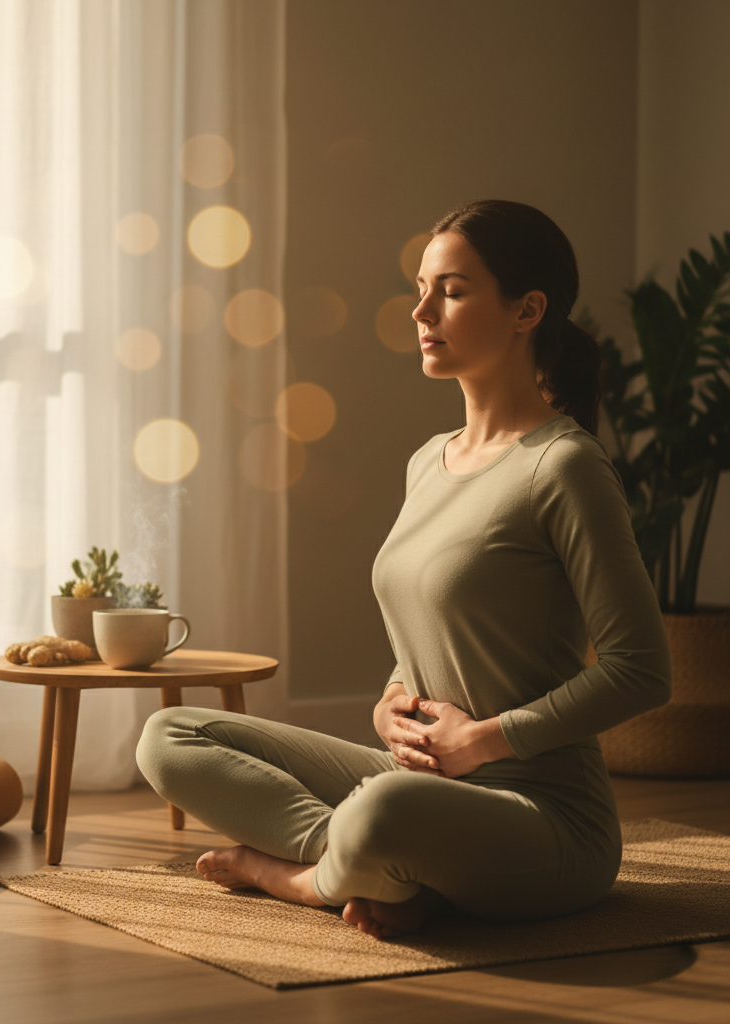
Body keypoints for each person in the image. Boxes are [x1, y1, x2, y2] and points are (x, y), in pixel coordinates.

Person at [135, 200, 671, 939]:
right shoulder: (428, 460)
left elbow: (642, 670)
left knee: (381, 811)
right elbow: (430, 629)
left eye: (450, 290)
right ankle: (395, 870)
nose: (421, 310)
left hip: (543, 816)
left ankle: (292, 876)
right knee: (168, 735)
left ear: (527, 311)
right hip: (421, 779)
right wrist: (390, 700)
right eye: (421, 287)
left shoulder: (564, 466)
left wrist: (479, 741)